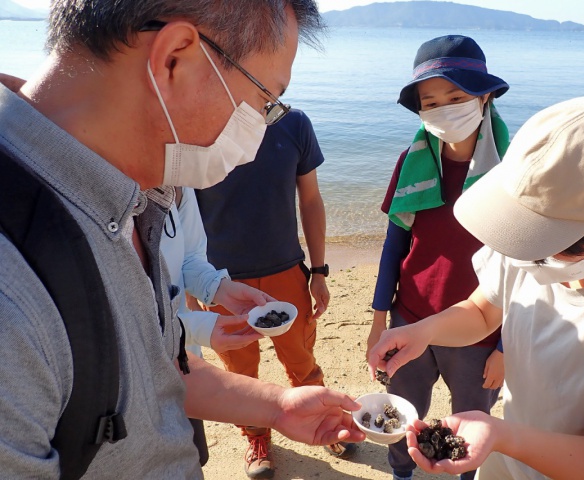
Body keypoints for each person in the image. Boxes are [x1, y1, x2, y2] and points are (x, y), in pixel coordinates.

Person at [0, 1, 365, 478]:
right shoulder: (15, 292)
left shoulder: (134, 200)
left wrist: (276, 406)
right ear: (176, 58)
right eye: (263, 101)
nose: (260, 130)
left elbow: (155, 369)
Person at [368, 96, 584, 479]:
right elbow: (483, 310)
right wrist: (424, 331)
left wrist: (503, 434)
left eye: (549, 241)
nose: (526, 258)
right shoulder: (527, 244)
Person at [367, 35, 509, 480]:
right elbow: (395, 245)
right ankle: (401, 474)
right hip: (410, 315)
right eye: (430, 101)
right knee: (404, 413)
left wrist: (506, 348)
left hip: (482, 330)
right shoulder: (411, 162)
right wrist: (378, 322)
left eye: (456, 96)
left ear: (484, 97)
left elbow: (526, 267)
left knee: (469, 426)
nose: (444, 109)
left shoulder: (512, 171)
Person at [195, 107, 354, 478]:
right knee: (240, 369)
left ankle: (324, 420)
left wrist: (318, 271)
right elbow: (184, 211)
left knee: (301, 358)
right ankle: (257, 437)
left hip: (286, 272)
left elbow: (311, 200)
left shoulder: (293, 124)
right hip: (220, 279)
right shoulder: (198, 121)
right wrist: (192, 286)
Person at [160, 186, 271, 466]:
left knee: (193, 459)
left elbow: (189, 257)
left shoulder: (177, 181)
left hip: (185, 364)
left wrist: (219, 288)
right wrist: (200, 327)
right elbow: (124, 319)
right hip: (128, 384)